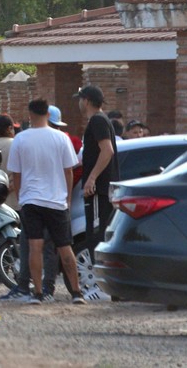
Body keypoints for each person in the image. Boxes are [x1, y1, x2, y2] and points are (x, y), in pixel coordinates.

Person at [7, 99, 85, 305]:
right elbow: (69, 170)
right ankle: (76, 292)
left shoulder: (21, 139)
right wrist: (67, 197)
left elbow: (16, 173)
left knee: (35, 246)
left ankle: (38, 293)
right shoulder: (61, 137)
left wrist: (22, 196)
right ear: (48, 115)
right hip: (56, 200)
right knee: (64, 247)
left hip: (31, 199)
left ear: (29, 114)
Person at [75, 85, 119, 272]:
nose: (79, 102)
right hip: (102, 190)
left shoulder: (98, 121)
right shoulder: (102, 120)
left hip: (99, 191)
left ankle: (99, 284)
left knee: (96, 235)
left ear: (86, 100)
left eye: (80, 99)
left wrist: (91, 178)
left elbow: (107, 150)